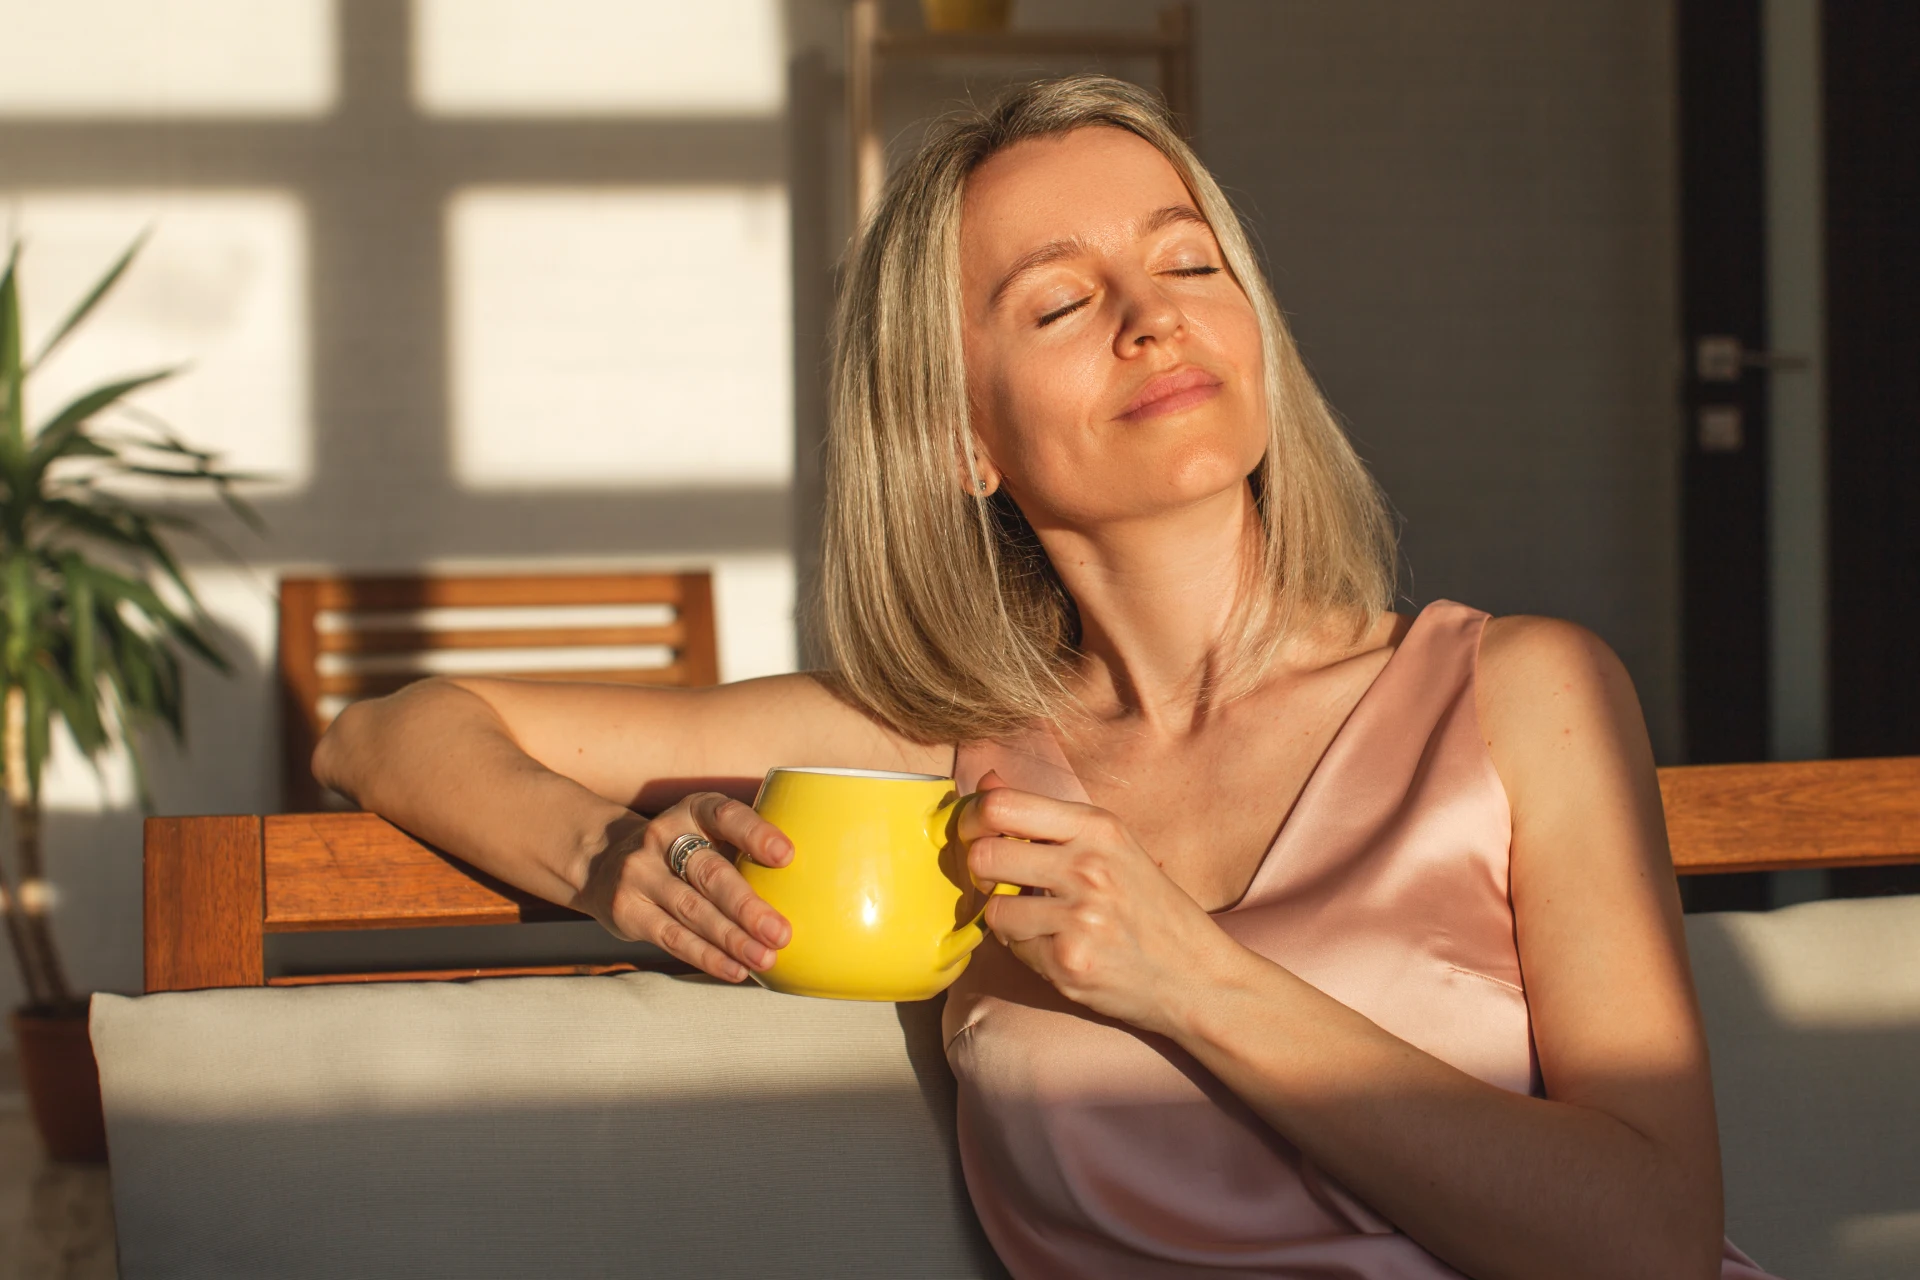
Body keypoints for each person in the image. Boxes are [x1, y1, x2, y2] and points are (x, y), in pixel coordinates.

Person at [316, 75, 1776, 1280]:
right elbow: (386, 731)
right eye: (1061, 303)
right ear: (962, 440)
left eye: (1188, 263)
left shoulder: (1524, 693)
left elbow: (1650, 1243)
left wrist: (1189, 976)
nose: (1155, 316)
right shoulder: (938, 759)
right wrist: (608, 859)